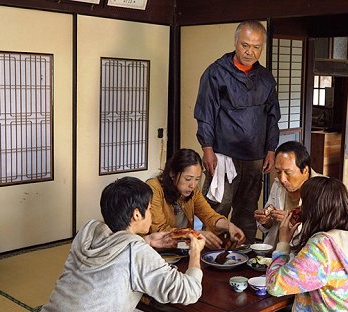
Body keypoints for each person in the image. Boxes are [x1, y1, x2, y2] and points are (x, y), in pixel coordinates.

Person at [41, 177, 206, 312]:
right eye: (148, 209)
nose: (151, 214)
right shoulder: (136, 251)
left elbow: (117, 250)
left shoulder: (89, 231)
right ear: (136, 214)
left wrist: (147, 241)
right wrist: (195, 253)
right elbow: (189, 292)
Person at [194, 20, 281, 243]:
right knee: (217, 209)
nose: (249, 52)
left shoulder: (266, 78)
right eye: (245, 45)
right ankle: (209, 258)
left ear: (262, 47)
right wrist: (207, 149)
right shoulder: (216, 73)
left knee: (247, 211)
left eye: (256, 47)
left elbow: (272, 117)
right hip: (223, 156)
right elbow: (205, 113)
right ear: (235, 42)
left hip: (255, 157)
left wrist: (271, 149)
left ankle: (244, 259)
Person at [266, 177, 348, 311]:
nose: (301, 208)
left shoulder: (322, 246)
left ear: (314, 208)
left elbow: (275, 286)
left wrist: (283, 243)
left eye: (305, 203)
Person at [147, 148, 246, 250]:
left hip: (181, 249)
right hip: (156, 251)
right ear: (173, 174)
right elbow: (159, 230)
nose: (193, 185)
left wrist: (229, 226)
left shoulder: (193, 191)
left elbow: (210, 216)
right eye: (188, 179)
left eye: (197, 179)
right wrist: (194, 234)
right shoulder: (154, 188)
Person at [254, 141, 320, 247]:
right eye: (278, 172)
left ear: (305, 170)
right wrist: (265, 220)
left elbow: (323, 235)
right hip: (276, 250)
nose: (282, 179)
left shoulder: (323, 190)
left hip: (307, 254)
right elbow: (270, 226)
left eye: (288, 173)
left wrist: (292, 222)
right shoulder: (278, 185)